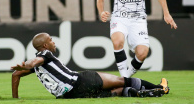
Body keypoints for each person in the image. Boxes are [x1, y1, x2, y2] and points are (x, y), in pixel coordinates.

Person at [11, 33, 169, 99]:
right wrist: (26, 64)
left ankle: (139, 94)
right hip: (81, 80)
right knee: (123, 80)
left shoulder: (39, 65)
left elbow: (15, 75)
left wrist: (15, 99)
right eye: (51, 40)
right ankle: (161, 87)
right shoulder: (45, 54)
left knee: (118, 92)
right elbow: (33, 62)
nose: (54, 42)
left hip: (70, 96)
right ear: (45, 45)